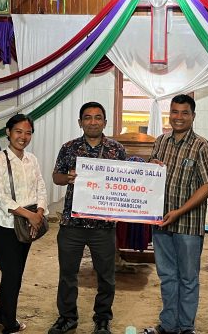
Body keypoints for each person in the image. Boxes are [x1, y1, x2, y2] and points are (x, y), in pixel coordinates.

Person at [145, 94, 208, 334]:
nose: (178, 117)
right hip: (161, 222)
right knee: (167, 276)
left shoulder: (201, 145)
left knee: (188, 278)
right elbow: (150, 177)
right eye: (174, 112)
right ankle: (168, 325)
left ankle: (186, 327)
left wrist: (179, 211)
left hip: (188, 224)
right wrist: (150, 167)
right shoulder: (161, 141)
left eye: (184, 112)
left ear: (193, 116)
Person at [49, 102, 127, 334]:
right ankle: (67, 317)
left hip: (103, 225)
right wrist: (68, 177)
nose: (93, 122)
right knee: (67, 274)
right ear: (80, 122)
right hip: (72, 223)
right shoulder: (69, 148)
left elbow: (127, 180)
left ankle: (102, 319)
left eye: (97, 117)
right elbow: (56, 177)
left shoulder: (117, 150)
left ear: (105, 121)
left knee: (106, 276)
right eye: (87, 117)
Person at [0, 114, 48, 334]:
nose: (23, 137)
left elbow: (41, 186)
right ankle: (9, 323)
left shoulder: (32, 159)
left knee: (16, 272)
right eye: (18, 131)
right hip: (3, 225)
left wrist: (39, 212)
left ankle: (3, 315)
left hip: (28, 224)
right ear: (8, 132)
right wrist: (29, 215)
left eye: (28, 132)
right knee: (12, 272)